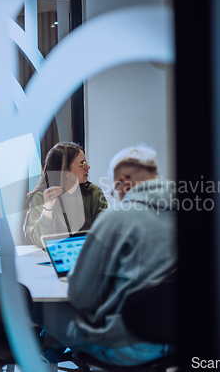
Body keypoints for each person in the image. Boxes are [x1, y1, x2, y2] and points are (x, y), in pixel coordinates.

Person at [43, 144, 177, 367]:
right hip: (182, 338)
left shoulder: (117, 219)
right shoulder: (193, 214)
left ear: (124, 181)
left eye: (116, 190)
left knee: (50, 311)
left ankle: (45, 359)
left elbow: (81, 297)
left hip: (126, 347)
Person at [24, 142, 107, 248]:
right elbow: (40, 241)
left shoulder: (94, 192)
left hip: (87, 256)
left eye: (85, 162)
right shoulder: (42, 197)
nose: (88, 167)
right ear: (65, 172)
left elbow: (105, 232)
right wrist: (48, 209)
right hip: (54, 258)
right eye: (82, 164)